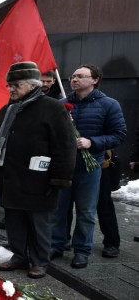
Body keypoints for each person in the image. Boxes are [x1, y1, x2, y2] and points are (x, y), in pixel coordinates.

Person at [0, 61, 76, 279]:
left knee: (39, 224)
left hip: (39, 180)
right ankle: (19, 256)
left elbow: (65, 146)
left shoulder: (53, 108)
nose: (11, 89)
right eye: (9, 85)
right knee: (14, 221)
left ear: (33, 84)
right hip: (9, 177)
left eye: (16, 85)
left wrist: (59, 179)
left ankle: (39, 261)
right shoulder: (6, 109)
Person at [50, 64, 126, 268]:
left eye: (80, 76)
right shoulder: (61, 104)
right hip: (65, 165)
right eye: (72, 76)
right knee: (60, 208)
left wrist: (92, 142)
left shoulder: (109, 104)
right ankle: (57, 244)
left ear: (95, 80)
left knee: (86, 211)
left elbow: (119, 134)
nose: (74, 80)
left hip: (91, 167)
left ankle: (82, 250)